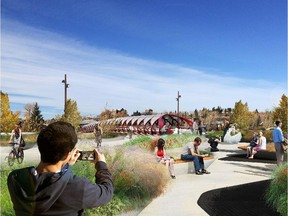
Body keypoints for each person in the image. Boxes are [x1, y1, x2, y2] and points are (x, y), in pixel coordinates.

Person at [7, 121, 113, 216]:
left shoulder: (15, 179)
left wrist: (65, 165)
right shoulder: (78, 187)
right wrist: (101, 165)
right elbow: (106, 192)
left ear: (40, 147)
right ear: (67, 155)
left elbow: (50, 180)